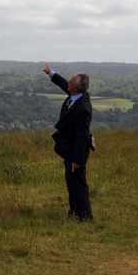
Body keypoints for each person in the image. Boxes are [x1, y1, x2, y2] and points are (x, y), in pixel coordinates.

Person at [43, 63, 93, 221]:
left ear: (76, 88)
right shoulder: (76, 95)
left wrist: (77, 160)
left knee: (78, 183)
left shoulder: (83, 107)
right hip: (69, 148)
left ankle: (85, 216)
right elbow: (64, 84)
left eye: (71, 82)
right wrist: (51, 73)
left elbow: (82, 136)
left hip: (76, 151)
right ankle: (74, 211)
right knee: (71, 182)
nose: (68, 84)